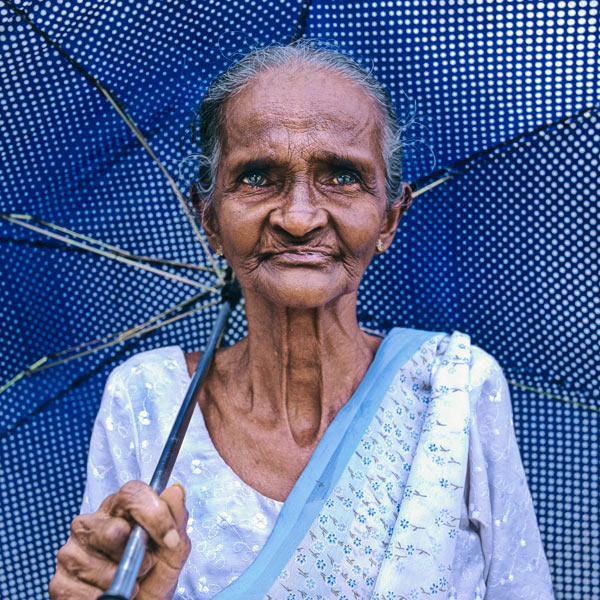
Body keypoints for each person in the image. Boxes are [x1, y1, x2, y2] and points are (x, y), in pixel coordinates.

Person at [49, 41, 554, 600]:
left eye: (341, 176)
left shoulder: (456, 389)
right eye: (258, 177)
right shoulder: (146, 398)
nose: (298, 217)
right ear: (209, 218)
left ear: (389, 217)